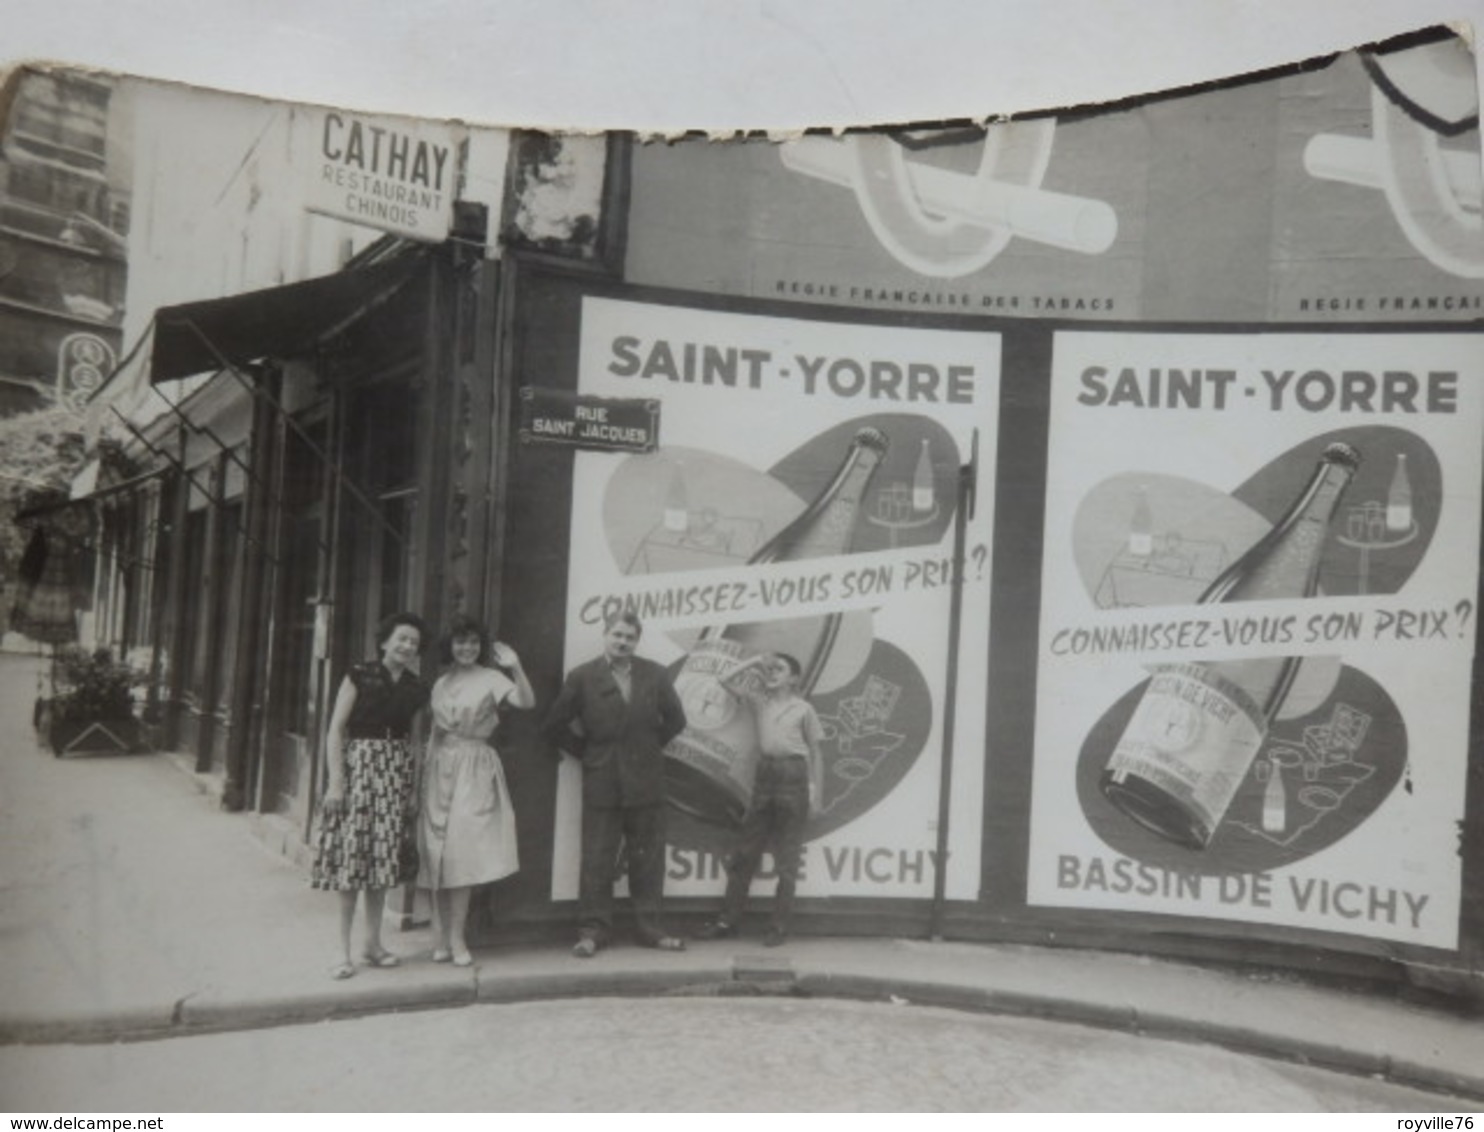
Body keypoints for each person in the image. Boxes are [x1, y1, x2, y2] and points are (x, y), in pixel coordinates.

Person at [543, 611, 688, 957]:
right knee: (597, 859)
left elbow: (677, 719)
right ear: (605, 634)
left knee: (648, 859)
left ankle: (650, 930)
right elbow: (553, 726)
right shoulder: (582, 677)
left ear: (637, 641)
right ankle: (593, 933)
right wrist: (591, 754)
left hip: (646, 781)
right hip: (602, 781)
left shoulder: (654, 673)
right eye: (617, 635)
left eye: (630, 637)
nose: (623, 642)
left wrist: (647, 748)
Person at [311, 612, 430, 980]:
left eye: (413, 642)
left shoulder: (415, 687)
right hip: (359, 768)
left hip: (394, 775)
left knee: (380, 864)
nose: (407, 646)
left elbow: (413, 741)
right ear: (385, 642)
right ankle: (340, 951)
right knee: (352, 865)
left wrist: (411, 788)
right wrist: (335, 783)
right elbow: (334, 731)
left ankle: (373, 945)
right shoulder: (359, 674)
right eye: (402, 639)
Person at [417, 615, 535, 967]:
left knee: (462, 852)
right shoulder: (440, 683)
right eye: (459, 642)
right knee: (436, 851)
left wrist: (516, 667)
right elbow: (435, 732)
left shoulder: (492, 677)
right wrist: (424, 775)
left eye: (472, 643)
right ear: (450, 646)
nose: (466, 648)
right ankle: (439, 936)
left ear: (480, 647)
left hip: (475, 766)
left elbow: (526, 702)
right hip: (439, 766)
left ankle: (457, 937)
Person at [695, 651, 825, 947]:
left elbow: (816, 753)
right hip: (764, 776)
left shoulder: (804, 709)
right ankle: (727, 922)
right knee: (744, 855)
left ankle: (778, 927)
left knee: (787, 861)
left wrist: (816, 795)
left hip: (793, 777)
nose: (772, 672)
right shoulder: (759, 701)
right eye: (771, 668)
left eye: (780, 668)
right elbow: (724, 680)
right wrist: (755, 661)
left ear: (793, 678)